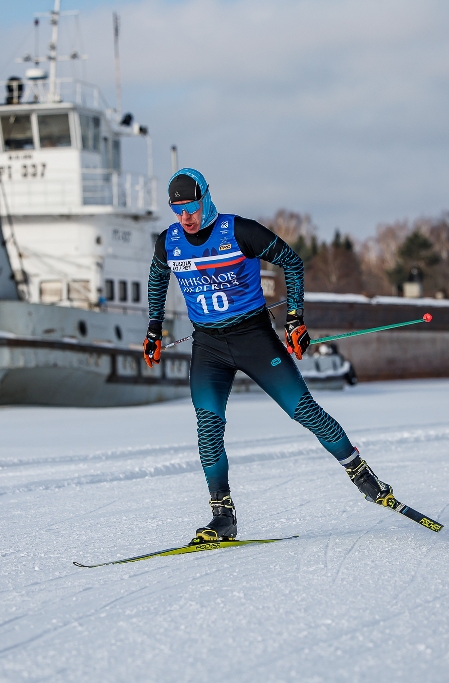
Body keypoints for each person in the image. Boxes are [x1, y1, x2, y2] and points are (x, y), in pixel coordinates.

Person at [143, 168, 395, 543]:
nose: (185, 217)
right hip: (209, 347)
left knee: (304, 410)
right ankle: (222, 517)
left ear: (206, 199)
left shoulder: (240, 231)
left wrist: (295, 320)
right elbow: (157, 276)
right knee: (208, 428)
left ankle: (360, 473)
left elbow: (292, 262)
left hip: (254, 338)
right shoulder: (170, 241)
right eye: (177, 210)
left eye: (191, 207)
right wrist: (153, 326)